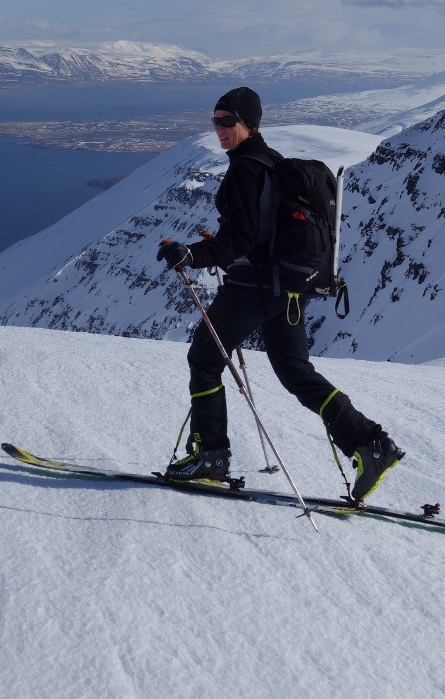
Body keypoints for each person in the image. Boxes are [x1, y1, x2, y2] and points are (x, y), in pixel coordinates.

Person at [154, 86, 404, 501]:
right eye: (214, 121)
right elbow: (261, 232)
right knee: (295, 373)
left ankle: (212, 455)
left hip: (254, 287)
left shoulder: (246, 169)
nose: (219, 129)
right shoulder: (273, 163)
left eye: (226, 121)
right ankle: (371, 444)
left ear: (248, 124)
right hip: (287, 290)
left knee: (203, 356)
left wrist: (191, 253)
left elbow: (241, 238)